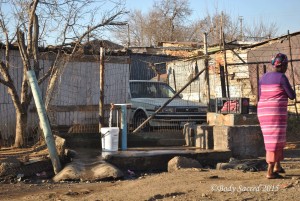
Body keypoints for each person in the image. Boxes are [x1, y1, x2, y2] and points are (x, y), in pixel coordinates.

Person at [257, 53, 296, 179]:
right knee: (274, 141)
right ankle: (270, 171)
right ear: (283, 65)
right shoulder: (282, 78)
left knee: (275, 139)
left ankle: (277, 166)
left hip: (263, 112)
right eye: (286, 65)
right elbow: (292, 95)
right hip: (275, 113)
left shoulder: (263, 77)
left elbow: (259, 95)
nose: (286, 68)